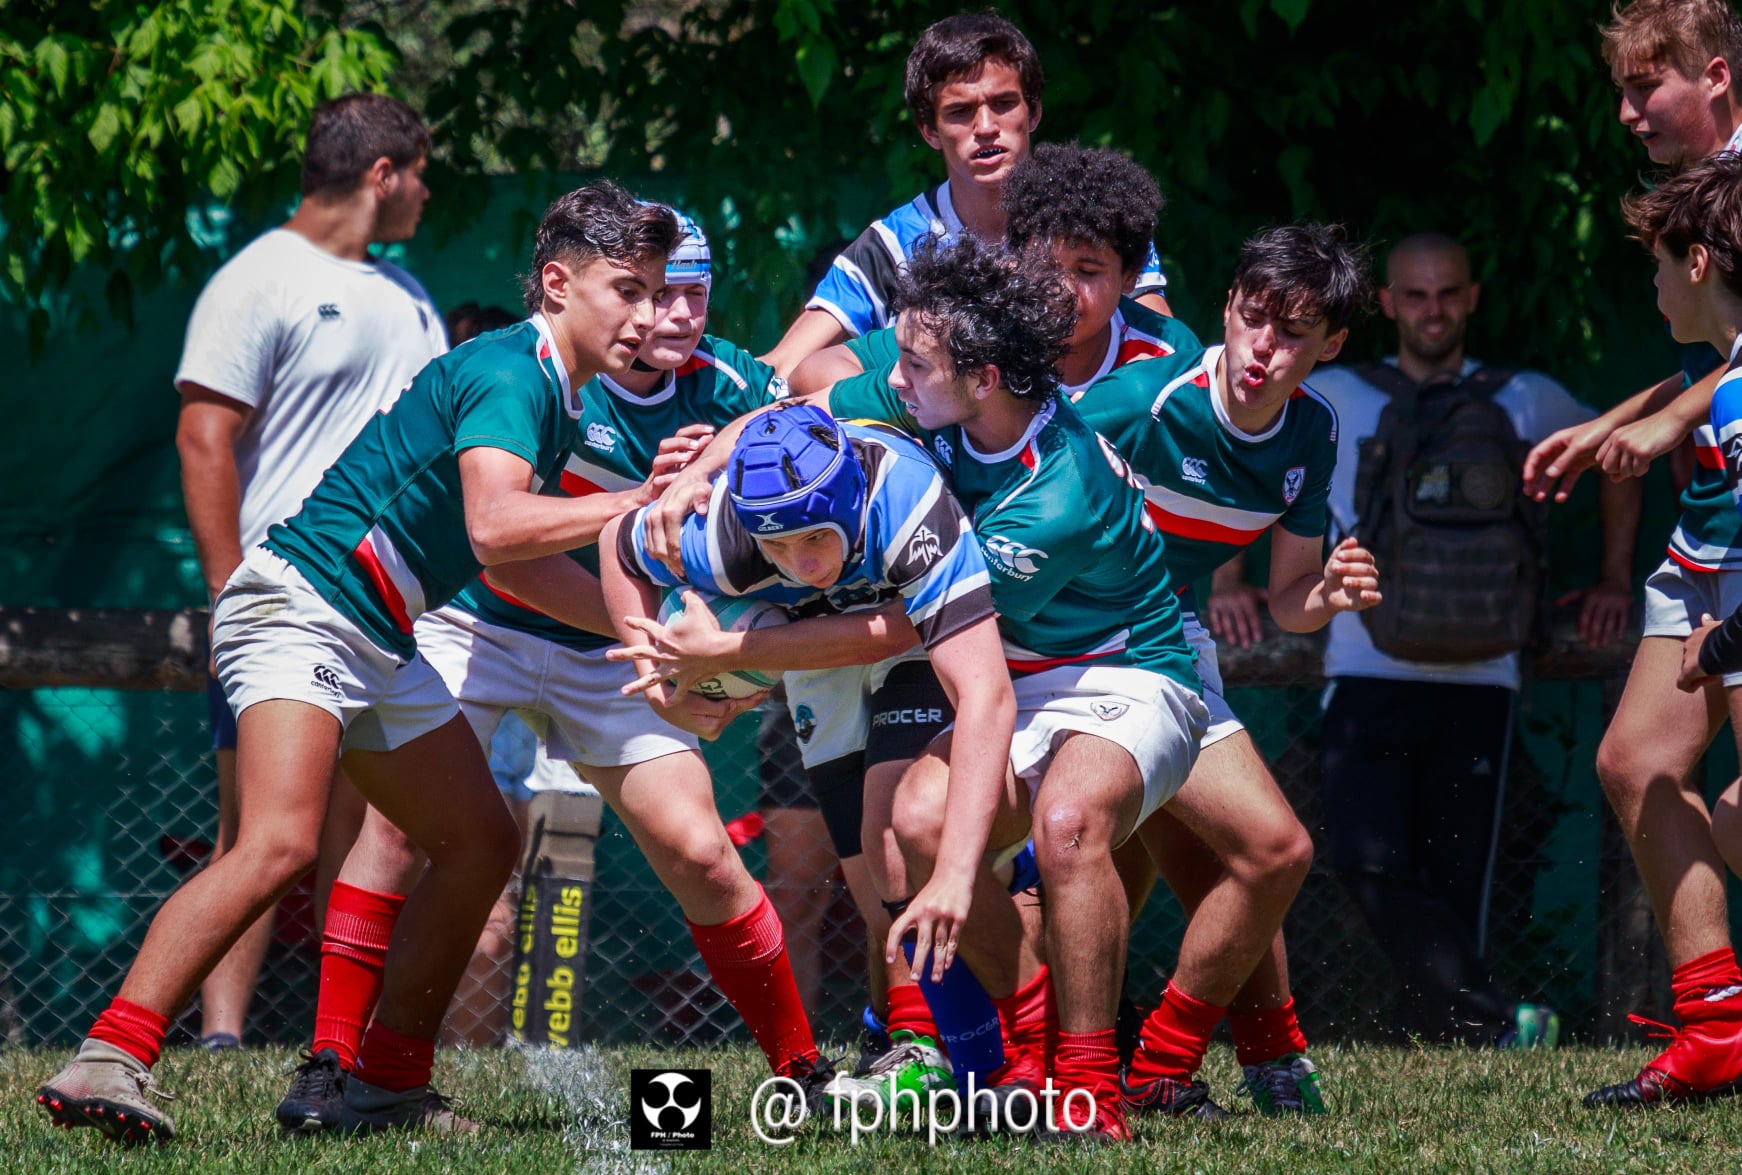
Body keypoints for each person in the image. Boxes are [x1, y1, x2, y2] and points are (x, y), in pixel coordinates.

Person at [34, 183, 678, 1144]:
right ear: (557, 282)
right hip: (303, 606)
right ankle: (109, 1055)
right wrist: (634, 506)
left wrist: (642, 637)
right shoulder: (514, 369)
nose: (650, 315)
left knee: (481, 840)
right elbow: (496, 524)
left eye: (660, 293)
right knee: (280, 842)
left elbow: (521, 562)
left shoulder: (548, 388)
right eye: (628, 289)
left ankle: (387, 1083)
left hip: (375, 632)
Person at [268, 212, 840, 1129]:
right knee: (399, 833)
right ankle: (333, 1063)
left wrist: (729, 458)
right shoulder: (553, 372)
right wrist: (648, 510)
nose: (673, 311)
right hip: (482, 623)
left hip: (606, 645)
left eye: (692, 290)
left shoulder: (727, 383)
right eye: (650, 289)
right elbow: (498, 545)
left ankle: (803, 1071)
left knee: (700, 848)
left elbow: (830, 396)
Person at [787, 236, 1209, 1142]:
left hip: (1129, 676)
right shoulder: (940, 398)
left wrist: (729, 653)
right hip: (1012, 676)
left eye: (913, 364)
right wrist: (687, 486)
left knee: (1066, 826)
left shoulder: (1053, 494)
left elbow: (918, 624)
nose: (894, 380)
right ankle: (1028, 1049)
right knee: (917, 822)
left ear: (982, 377)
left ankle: (1092, 1087)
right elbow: (802, 404)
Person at [1215, 233, 1630, 1047]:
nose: (1432, 310)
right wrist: (1230, 584)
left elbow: (1621, 457)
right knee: (1365, 856)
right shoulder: (1329, 392)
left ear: (1472, 298)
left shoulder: (1526, 400)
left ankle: (1448, 1026)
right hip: (1365, 664)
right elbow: (1240, 451)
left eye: (1448, 294)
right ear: (1387, 304)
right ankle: (1487, 1016)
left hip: (1486, 674)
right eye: (1415, 294)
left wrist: (1617, 579)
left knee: (1461, 873)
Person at [602, 402, 1019, 1105]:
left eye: (817, 539)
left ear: (850, 500)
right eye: (782, 548)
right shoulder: (727, 532)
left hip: (914, 638)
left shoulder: (903, 495)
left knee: (891, 839)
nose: (803, 563)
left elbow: (904, 633)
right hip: (815, 659)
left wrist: (734, 651)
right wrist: (659, 680)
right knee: (871, 884)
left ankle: (982, 1072)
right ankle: (911, 1041)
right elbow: (618, 543)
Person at [1065, 213, 1376, 1115]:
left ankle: (1161, 1067)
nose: (1263, 348)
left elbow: (1288, 597)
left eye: (1294, 333)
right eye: (1253, 316)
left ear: (1331, 345)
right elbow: (1012, 488)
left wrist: (1330, 593)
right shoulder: (1143, 401)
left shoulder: (1312, 433)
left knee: (1255, 856)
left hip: (1168, 650)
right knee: (1216, 854)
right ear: (1228, 308)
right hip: (1066, 650)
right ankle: (1010, 1059)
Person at [170, 94, 445, 1053]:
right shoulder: (258, 280)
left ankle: (340, 1045)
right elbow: (205, 439)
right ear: (383, 175)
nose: (426, 191)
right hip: (282, 604)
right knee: (259, 832)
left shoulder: (411, 292)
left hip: (389, 607)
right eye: (420, 172)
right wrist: (226, 593)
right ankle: (221, 1037)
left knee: (364, 836)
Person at [1522, 0, 1742, 1107]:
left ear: (1711, 75)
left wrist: (1660, 422)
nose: (1625, 111)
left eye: (1643, 86)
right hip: (1710, 530)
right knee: (1634, 762)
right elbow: (1729, 350)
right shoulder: (1699, 199)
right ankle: (1712, 1027)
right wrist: (1621, 416)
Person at [762, 12, 1170, 376]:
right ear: (928, 130)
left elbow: (1164, 358)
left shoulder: (1097, 219)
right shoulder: (890, 247)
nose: (986, 126)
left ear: (1034, 112)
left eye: (1004, 103)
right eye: (960, 111)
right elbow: (782, 368)